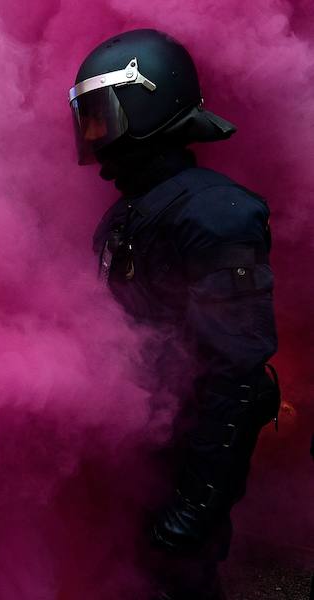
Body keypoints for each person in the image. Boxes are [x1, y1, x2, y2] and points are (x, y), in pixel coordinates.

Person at [68, 29, 281, 599]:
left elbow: (236, 376)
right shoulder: (128, 213)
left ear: (146, 107)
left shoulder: (214, 213)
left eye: (100, 116)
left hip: (189, 440)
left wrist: (199, 503)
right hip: (147, 432)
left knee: (176, 581)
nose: (92, 133)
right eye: (85, 118)